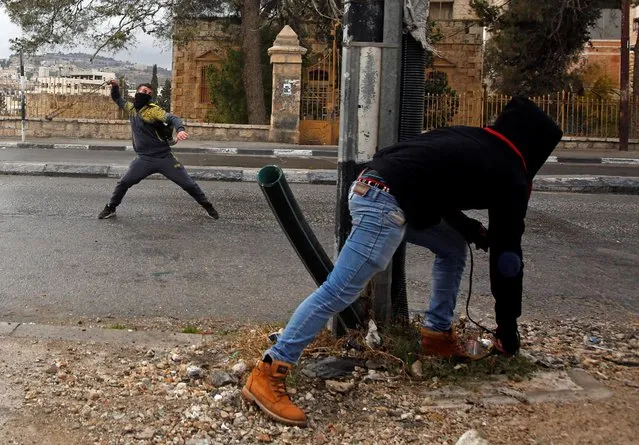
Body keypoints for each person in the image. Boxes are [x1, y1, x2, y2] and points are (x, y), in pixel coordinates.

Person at [241, 97, 563, 427]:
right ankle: (268, 372)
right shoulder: (512, 174)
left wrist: (469, 229)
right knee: (338, 292)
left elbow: (428, 181)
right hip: (385, 203)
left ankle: (436, 336)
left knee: (452, 247)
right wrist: (508, 333)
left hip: (378, 187)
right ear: (536, 147)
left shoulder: (472, 140)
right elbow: (508, 261)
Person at [97, 80, 219, 220]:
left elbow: (173, 118)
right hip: (143, 159)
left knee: (189, 184)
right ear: (136, 92)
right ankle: (111, 208)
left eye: (149, 93)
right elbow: (117, 98)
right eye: (144, 92)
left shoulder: (153, 111)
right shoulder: (130, 109)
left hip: (164, 158)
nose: (147, 94)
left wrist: (180, 130)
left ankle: (208, 207)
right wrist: (116, 86)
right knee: (124, 183)